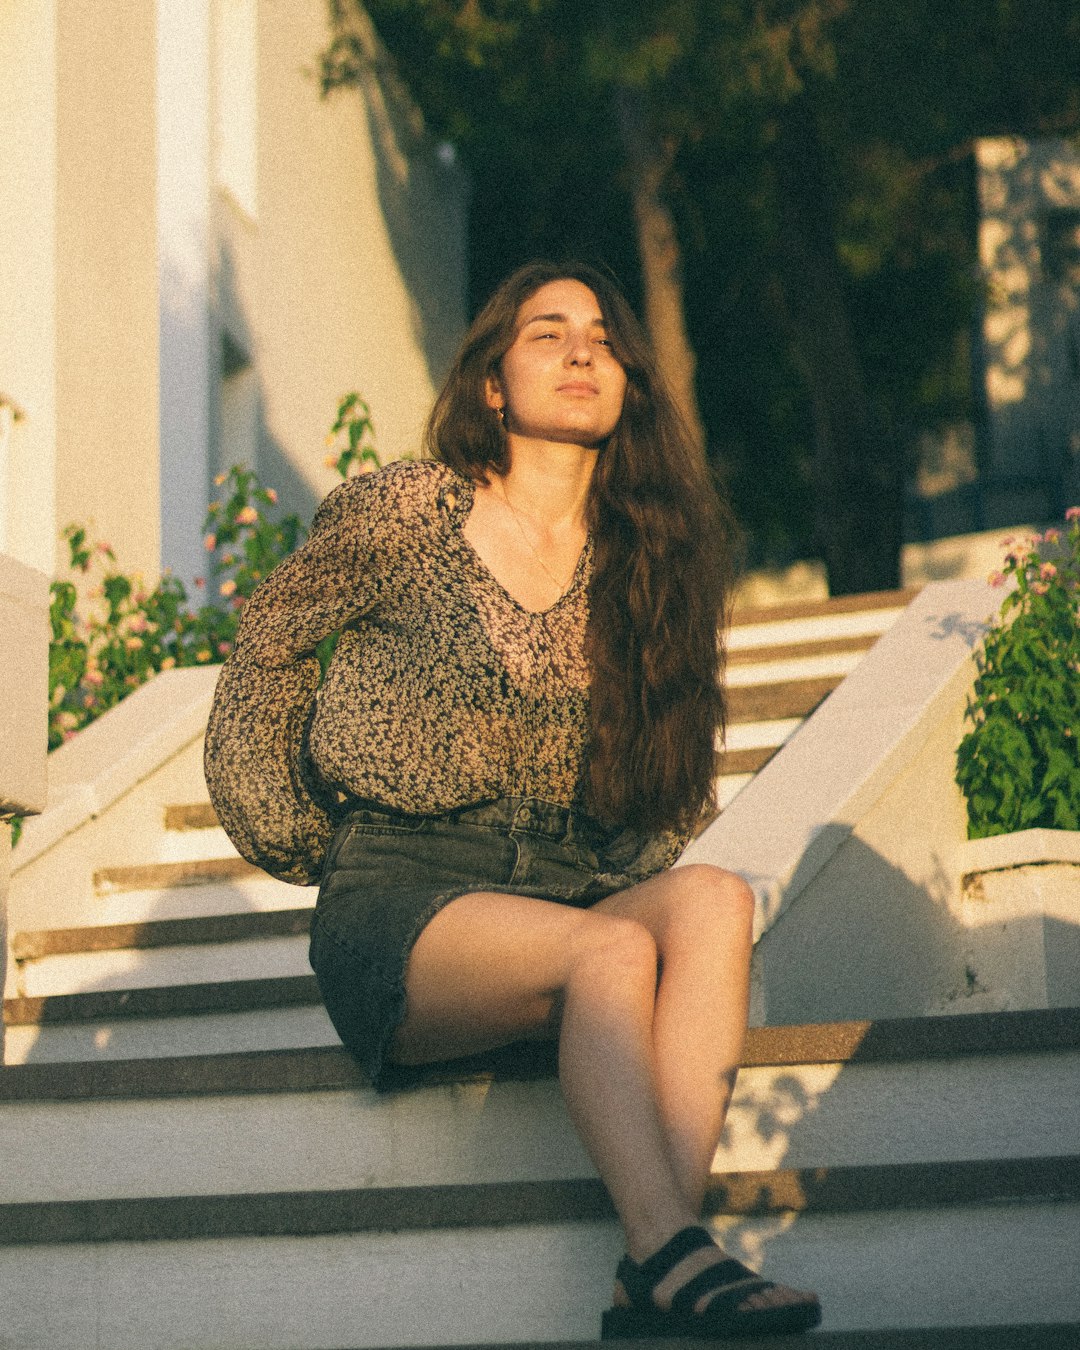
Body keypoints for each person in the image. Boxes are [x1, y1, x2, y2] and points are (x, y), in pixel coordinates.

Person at [204, 260, 822, 1340]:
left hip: (565, 890)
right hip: (403, 896)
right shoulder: (408, 511)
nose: (583, 350)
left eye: (600, 335)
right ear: (491, 383)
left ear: (628, 381)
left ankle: (658, 1254)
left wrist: (618, 878)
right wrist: (302, 833)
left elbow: (669, 787)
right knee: (613, 957)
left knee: (715, 899)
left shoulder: (650, 557)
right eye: (546, 333)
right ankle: (674, 1248)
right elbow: (270, 643)